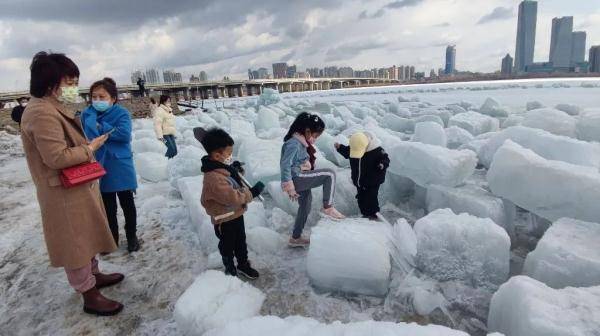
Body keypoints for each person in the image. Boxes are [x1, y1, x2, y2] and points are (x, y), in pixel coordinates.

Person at [20, 51, 124, 316]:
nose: (73, 88)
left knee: (85, 235)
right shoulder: (41, 113)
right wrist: (90, 148)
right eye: (69, 81)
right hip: (62, 191)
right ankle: (88, 294)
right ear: (50, 83)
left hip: (74, 186)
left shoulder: (50, 107)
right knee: (75, 243)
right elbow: (55, 157)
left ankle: (94, 275)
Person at [81, 77, 141, 252]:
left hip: (120, 163)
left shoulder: (121, 113)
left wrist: (100, 127)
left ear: (113, 98)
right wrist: (106, 130)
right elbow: (83, 135)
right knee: (107, 206)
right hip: (99, 163)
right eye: (94, 97)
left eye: (102, 97)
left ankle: (131, 236)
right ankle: (110, 239)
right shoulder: (87, 114)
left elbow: (124, 135)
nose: (97, 101)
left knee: (127, 202)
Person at [198, 128, 265, 278]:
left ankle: (243, 264)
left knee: (241, 241)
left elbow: (233, 182)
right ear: (217, 155)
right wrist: (252, 193)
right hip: (224, 219)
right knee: (228, 245)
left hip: (236, 214)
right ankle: (229, 266)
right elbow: (232, 196)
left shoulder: (220, 167)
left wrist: (236, 171)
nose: (230, 156)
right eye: (228, 154)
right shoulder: (213, 178)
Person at [280, 112, 345, 248]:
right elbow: (285, 164)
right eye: (315, 136)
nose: (315, 139)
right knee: (330, 174)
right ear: (307, 130)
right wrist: (289, 186)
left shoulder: (300, 142)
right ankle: (328, 207)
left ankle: (295, 238)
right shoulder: (294, 143)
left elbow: (296, 161)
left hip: (300, 176)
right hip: (297, 178)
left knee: (305, 206)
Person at [335, 132, 390, 220]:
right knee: (361, 198)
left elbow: (385, 158)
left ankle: (373, 215)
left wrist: (382, 164)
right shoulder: (354, 146)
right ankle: (365, 214)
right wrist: (340, 148)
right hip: (359, 181)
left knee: (371, 198)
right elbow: (347, 151)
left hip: (373, 181)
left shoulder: (377, 150)